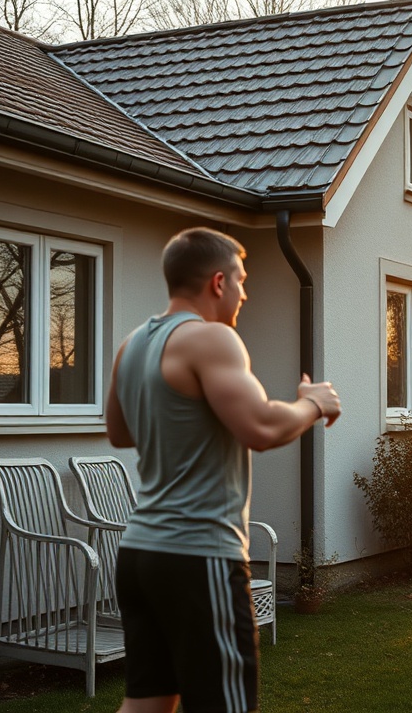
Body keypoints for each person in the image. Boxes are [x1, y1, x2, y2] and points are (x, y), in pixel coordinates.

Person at [105, 227, 341, 713]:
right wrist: (313, 404)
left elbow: (120, 432)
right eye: (241, 281)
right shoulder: (212, 338)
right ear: (218, 282)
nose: (244, 294)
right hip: (199, 557)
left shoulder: (132, 345)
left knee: (147, 703)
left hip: (140, 555)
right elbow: (260, 427)